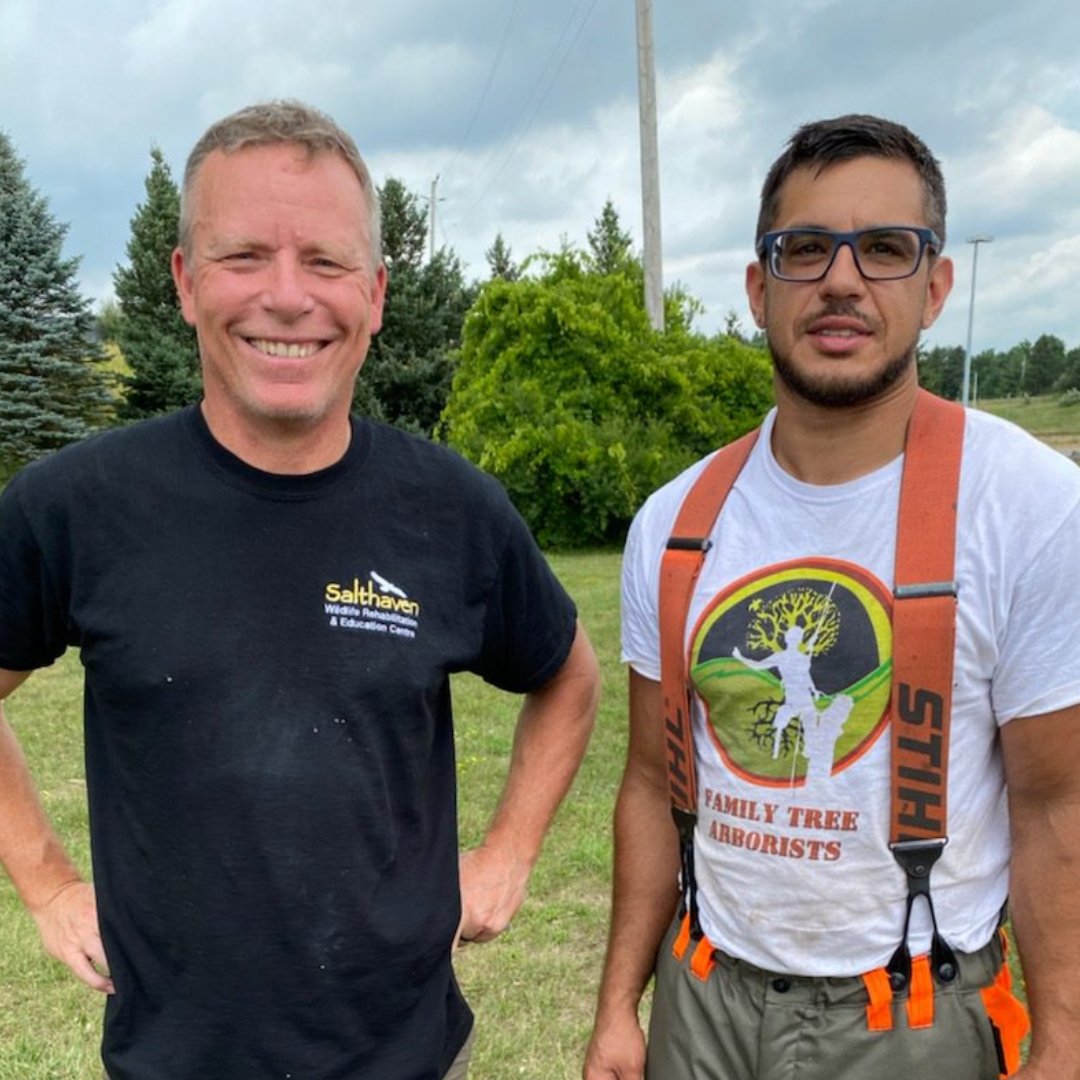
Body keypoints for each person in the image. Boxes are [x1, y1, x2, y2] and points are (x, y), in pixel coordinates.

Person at [0, 99, 600, 1080]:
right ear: (187, 284)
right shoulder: (74, 506)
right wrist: (45, 881)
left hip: (405, 1055)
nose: (288, 297)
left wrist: (508, 855)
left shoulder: (450, 509)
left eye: (324, 262)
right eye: (244, 257)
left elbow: (567, 678)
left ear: (375, 291)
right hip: (173, 1059)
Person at [584, 114, 1080, 1080]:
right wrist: (617, 1006)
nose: (842, 280)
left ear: (934, 287)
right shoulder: (674, 520)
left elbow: (1058, 805)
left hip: (915, 1012)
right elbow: (651, 781)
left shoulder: (1030, 506)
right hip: (705, 1003)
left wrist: (1064, 1042)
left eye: (885, 249)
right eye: (805, 249)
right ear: (759, 287)